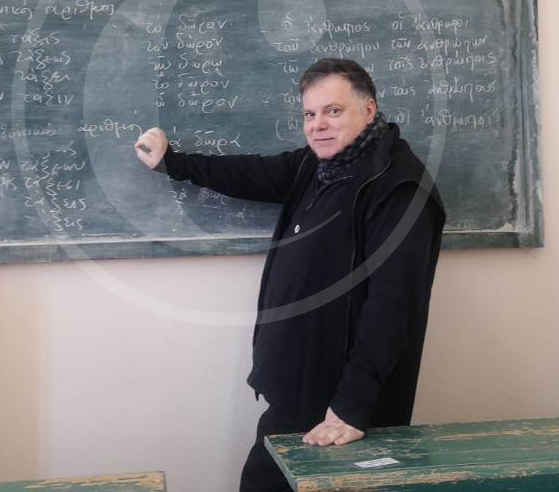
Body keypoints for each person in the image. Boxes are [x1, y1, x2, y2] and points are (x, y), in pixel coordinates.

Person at [134, 58, 445, 492]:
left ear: (369, 109)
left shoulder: (398, 189)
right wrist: (174, 162)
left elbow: (393, 310)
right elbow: (250, 173)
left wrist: (353, 406)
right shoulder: (317, 167)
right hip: (299, 389)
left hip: (341, 403)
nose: (318, 125)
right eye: (310, 114)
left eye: (333, 111)